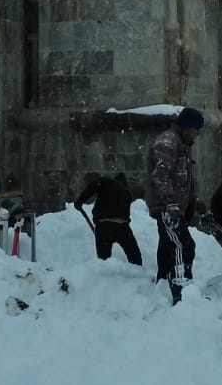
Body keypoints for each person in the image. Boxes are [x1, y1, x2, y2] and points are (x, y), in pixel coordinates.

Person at [145, 106, 204, 304]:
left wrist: (198, 205)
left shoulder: (182, 144)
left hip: (174, 207)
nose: (198, 133)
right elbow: (161, 174)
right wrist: (170, 202)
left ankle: (162, 286)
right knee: (183, 245)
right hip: (166, 206)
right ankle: (182, 292)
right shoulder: (167, 142)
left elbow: (185, 181)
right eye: (197, 128)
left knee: (167, 246)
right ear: (188, 127)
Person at [75, 172, 142, 266]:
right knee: (134, 255)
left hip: (103, 224)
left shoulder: (106, 182)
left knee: (103, 261)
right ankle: (139, 274)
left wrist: (80, 200)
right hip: (122, 226)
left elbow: (93, 186)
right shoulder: (126, 192)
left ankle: (105, 275)